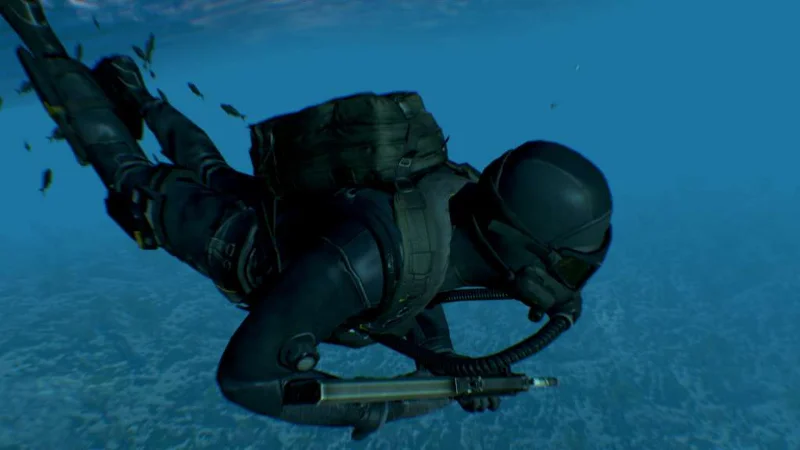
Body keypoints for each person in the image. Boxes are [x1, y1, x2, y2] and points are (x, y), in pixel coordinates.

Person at [1, 0, 613, 440]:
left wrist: (443, 361)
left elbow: (428, 275)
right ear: (510, 240)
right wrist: (382, 406)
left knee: (210, 168)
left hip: (283, 218)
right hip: (237, 244)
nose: (566, 286)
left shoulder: (451, 205)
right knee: (134, 177)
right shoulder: (365, 260)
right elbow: (248, 379)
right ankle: (40, 36)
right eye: (564, 267)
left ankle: (140, 97)